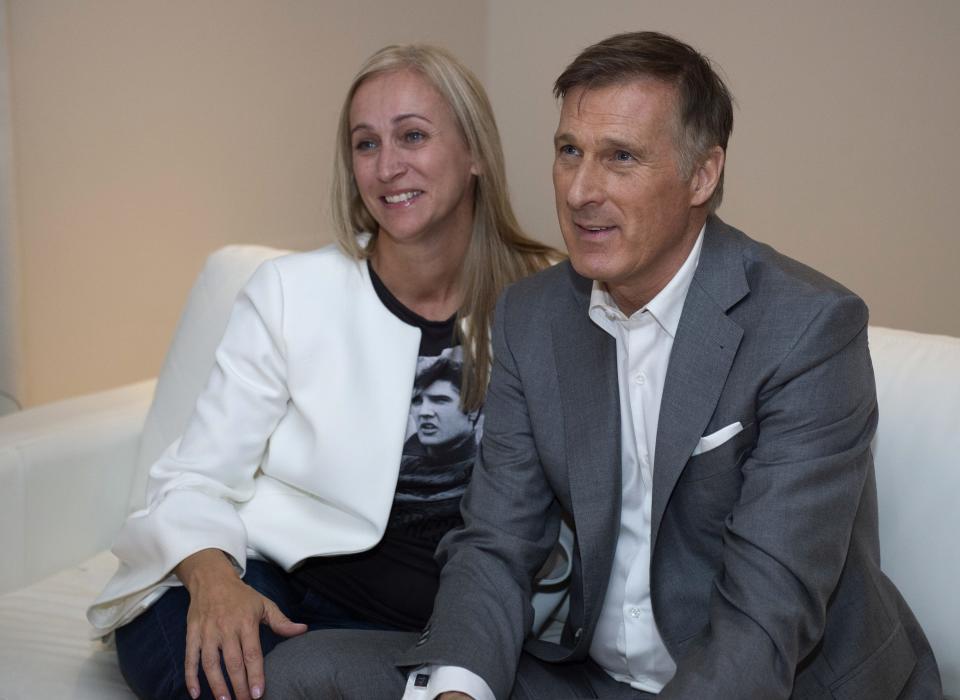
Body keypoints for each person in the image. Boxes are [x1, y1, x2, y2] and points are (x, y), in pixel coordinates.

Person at [263, 31, 942, 699]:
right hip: (593, 676)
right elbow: (495, 545)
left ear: (703, 173)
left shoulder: (806, 328)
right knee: (305, 673)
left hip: (765, 681)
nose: (581, 190)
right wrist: (457, 694)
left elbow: (765, 621)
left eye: (620, 157)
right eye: (569, 151)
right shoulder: (534, 316)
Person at [86, 43, 558, 700]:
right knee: (202, 648)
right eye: (366, 145)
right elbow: (193, 478)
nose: (388, 166)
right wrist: (216, 581)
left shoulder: (548, 300)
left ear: (475, 152)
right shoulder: (289, 292)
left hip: (448, 613)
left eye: (413, 136)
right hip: (282, 584)